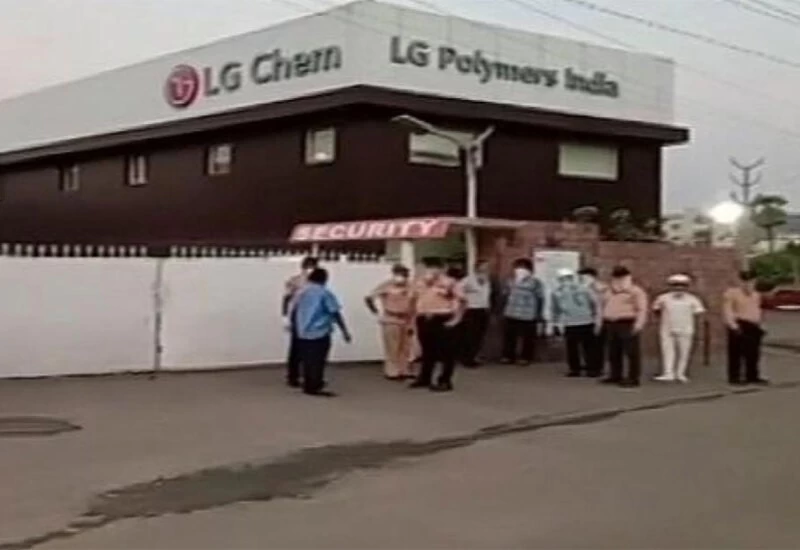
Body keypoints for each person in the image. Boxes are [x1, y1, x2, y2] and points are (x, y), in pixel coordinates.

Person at [291, 267, 351, 397]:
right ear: (324, 279)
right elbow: (335, 312)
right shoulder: (324, 293)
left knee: (307, 359)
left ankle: (308, 384)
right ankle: (315, 385)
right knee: (318, 360)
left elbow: (293, 309)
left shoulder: (301, 292)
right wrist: (344, 330)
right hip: (319, 331)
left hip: (302, 331)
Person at [410, 257, 466, 392]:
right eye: (426, 268)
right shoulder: (419, 282)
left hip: (442, 317)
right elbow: (413, 300)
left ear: (441, 269)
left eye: (432, 268)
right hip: (424, 318)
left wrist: (456, 319)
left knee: (446, 352)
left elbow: (462, 301)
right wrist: (413, 318)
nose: (428, 271)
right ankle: (425, 378)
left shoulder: (450, 283)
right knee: (427, 350)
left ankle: (445, 380)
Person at [652, 274, 706, 383]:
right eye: (676, 286)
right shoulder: (663, 298)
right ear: (671, 286)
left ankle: (680, 373)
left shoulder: (693, 299)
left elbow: (699, 313)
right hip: (667, 328)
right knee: (667, 351)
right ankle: (668, 373)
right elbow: (656, 309)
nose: (679, 288)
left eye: (682, 286)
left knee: (684, 352)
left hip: (686, 329)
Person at [365, 264, 416, 380]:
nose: (402, 277)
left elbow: (414, 304)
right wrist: (376, 312)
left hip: (407, 319)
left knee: (406, 347)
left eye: (404, 274)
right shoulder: (386, 285)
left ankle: (404, 370)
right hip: (391, 318)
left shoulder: (411, 286)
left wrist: (413, 321)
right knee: (392, 347)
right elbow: (369, 298)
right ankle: (392, 371)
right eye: (399, 273)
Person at [600, 266, 648, 388]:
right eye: (616, 277)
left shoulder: (635, 291)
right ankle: (615, 375)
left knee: (631, 352)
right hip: (611, 323)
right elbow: (603, 304)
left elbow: (642, 309)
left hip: (627, 322)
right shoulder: (608, 291)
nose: (618, 280)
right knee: (613, 351)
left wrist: (639, 324)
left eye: (621, 277)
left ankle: (633, 378)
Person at [551, 268, 601, 377]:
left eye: (567, 278)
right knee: (572, 348)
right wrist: (555, 323)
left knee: (588, 347)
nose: (565, 281)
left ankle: (591, 368)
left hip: (586, 321)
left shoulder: (584, 289)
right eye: (562, 279)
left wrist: (596, 318)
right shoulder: (556, 292)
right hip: (569, 322)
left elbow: (595, 303)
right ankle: (575, 369)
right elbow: (555, 309)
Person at [723, 270, 768, 386]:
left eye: (751, 282)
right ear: (740, 282)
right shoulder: (732, 293)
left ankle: (752, 376)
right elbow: (728, 310)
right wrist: (733, 325)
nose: (748, 284)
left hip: (753, 325)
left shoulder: (756, 295)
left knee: (753, 353)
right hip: (739, 324)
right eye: (746, 281)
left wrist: (761, 325)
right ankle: (735, 378)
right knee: (736, 353)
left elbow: (758, 310)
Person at [282, 256, 318, 388]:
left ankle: (309, 375)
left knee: (311, 347)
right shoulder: (295, 281)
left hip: (312, 314)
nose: (310, 269)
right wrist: (285, 317)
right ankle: (293, 376)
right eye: (308, 266)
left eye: (313, 266)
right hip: (298, 314)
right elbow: (286, 299)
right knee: (296, 347)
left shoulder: (317, 282)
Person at [501, 258, 544, 366]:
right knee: (510, 336)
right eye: (517, 267)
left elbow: (540, 297)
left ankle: (525, 357)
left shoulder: (535, 282)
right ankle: (508, 356)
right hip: (511, 312)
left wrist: (539, 313)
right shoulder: (510, 280)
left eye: (522, 267)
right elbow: (505, 295)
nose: (519, 270)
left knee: (528, 338)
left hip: (528, 314)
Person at [459, 260, 493, 367]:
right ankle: (467, 359)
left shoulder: (487, 280)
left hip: (483, 309)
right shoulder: (468, 280)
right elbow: (458, 290)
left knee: (479, 335)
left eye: (487, 267)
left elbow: (487, 295)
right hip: (471, 309)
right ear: (477, 267)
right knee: (471, 335)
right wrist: (464, 298)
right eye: (484, 266)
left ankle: (474, 356)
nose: (486, 268)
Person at [579, 266, 608, 376]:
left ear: (592, 277)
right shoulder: (583, 288)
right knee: (587, 344)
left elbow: (599, 306)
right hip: (587, 320)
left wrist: (598, 323)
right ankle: (589, 364)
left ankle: (596, 368)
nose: (582, 279)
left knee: (597, 345)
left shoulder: (600, 288)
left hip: (599, 319)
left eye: (584, 277)